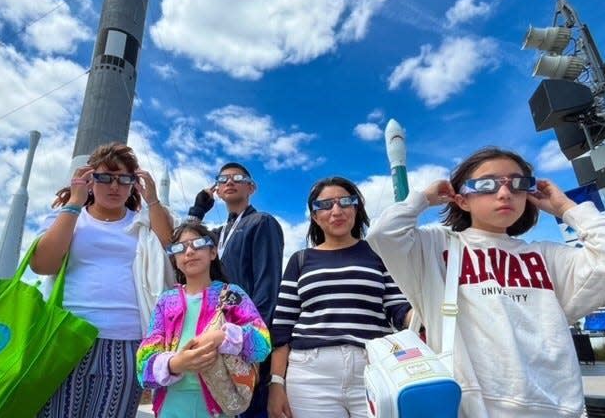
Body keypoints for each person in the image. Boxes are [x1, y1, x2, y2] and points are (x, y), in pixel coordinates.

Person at [366, 147, 605, 418]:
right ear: (461, 198)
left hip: (555, 405)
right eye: (487, 184)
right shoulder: (434, 247)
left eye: (518, 184)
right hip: (470, 405)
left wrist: (569, 208)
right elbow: (383, 234)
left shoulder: (547, 256)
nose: (504, 192)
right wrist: (423, 198)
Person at [31, 142, 176, 418]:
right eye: (104, 178)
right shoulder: (68, 217)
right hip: (66, 334)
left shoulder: (142, 223)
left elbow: (170, 251)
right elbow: (42, 264)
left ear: (134, 183)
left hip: (127, 339)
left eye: (124, 179)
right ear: (89, 179)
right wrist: (74, 202)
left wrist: (154, 200)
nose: (114, 187)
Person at [268, 176, 412, 418]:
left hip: (374, 369)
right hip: (310, 376)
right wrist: (276, 383)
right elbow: (282, 327)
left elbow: (398, 308)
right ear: (315, 216)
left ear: (356, 208)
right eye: (325, 205)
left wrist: (429, 313)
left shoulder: (378, 253)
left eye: (345, 202)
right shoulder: (300, 260)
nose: (336, 211)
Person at [137, 222, 272, 417]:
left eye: (198, 243)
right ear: (175, 260)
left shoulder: (232, 295)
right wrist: (175, 364)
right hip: (171, 405)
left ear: (213, 252)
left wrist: (222, 337)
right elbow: (143, 363)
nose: (189, 251)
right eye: (180, 248)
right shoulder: (166, 301)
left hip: (219, 404)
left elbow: (262, 344)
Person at [187, 162, 284, 418]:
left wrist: (255, 340)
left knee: (251, 409)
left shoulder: (261, 222)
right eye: (223, 179)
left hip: (248, 340)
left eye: (238, 178)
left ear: (251, 187)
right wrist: (198, 211)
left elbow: (268, 285)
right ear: (217, 190)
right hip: (219, 338)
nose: (230, 182)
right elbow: (183, 248)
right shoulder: (218, 235)